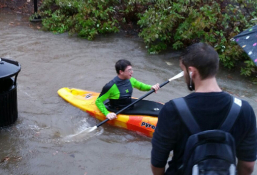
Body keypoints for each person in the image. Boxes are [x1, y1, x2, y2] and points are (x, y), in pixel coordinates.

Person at [151, 42, 257, 175]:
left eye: (183, 70)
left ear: (191, 72)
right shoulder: (244, 110)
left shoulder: (172, 109)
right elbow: (248, 166)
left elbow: (157, 163)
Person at [95, 59, 160, 120]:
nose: (132, 72)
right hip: (117, 109)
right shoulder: (111, 86)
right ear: (121, 72)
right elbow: (98, 101)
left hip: (129, 105)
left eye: (131, 70)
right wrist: (107, 114)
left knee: (158, 108)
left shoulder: (131, 80)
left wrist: (151, 87)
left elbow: (141, 86)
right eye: (129, 70)